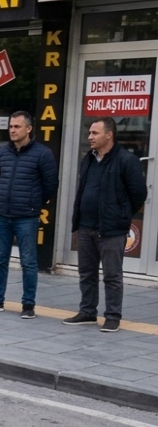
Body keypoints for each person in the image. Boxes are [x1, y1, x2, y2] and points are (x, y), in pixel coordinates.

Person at [64, 117, 146, 332]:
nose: (90, 137)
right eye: (90, 133)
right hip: (86, 226)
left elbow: (138, 194)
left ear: (109, 135)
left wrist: (121, 214)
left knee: (112, 275)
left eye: (95, 133)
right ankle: (88, 312)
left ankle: (112, 316)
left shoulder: (127, 160)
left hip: (111, 229)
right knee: (86, 272)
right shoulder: (88, 159)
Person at [0, 112, 58, 318]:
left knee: (28, 261)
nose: (12, 130)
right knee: (0, 259)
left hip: (27, 216)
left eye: (17, 126)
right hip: (3, 214)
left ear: (29, 129)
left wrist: (34, 204)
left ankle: (28, 305)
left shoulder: (42, 154)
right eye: (11, 126)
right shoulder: (3, 152)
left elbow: (51, 184)